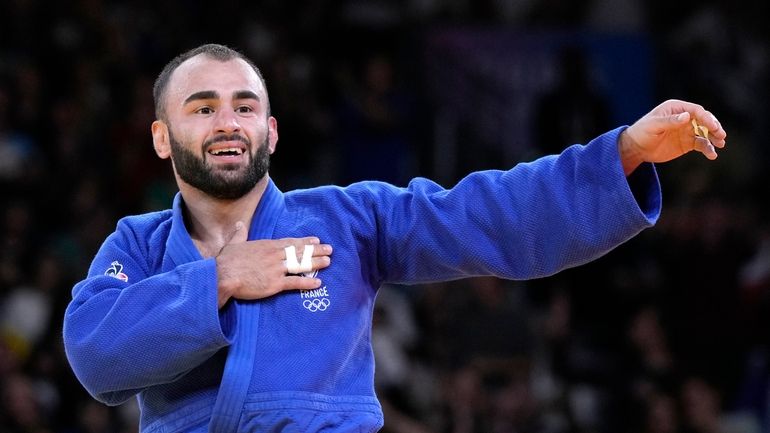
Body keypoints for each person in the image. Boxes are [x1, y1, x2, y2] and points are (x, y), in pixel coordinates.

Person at [62, 43, 726, 433]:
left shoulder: (352, 220)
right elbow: (96, 357)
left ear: (272, 131)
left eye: (245, 106)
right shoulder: (138, 246)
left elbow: (489, 213)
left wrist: (623, 155)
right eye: (202, 107)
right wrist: (224, 278)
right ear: (161, 136)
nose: (228, 122)